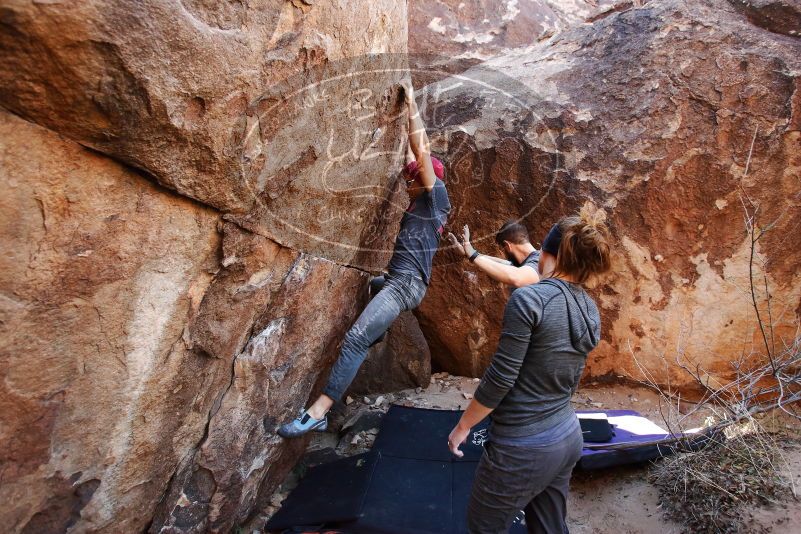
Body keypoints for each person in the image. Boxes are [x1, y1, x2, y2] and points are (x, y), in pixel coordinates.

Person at [278, 82, 451, 438]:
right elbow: (410, 156)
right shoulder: (421, 200)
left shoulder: (437, 198)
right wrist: (400, 121)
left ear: (425, 179)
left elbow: (420, 148)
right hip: (396, 281)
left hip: (405, 285)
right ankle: (378, 330)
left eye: (411, 180)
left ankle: (319, 411)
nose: (406, 184)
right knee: (372, 286)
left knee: (356, 337)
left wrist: (413, 104)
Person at [447, 204, 612, 533]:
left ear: (548, 255)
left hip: (522, 446)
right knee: (550, 527)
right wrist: (474, 253)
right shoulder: (590, 309)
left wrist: (463, 426)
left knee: (483, 527)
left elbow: (501, 377)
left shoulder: (529, 301)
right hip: (566, 436)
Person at [447, 221, 540, 288]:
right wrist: (467, 253)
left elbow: (516, 277)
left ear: (508, 245)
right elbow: (500, 263)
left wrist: (471, 253)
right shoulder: (527, 263)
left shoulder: (539, 262)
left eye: (504, 250)